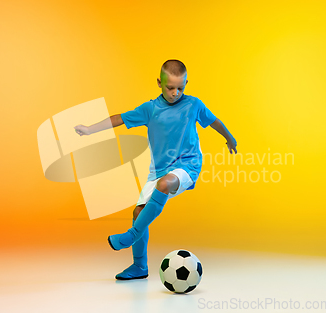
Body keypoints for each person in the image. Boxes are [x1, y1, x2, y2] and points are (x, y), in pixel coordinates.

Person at [74, 59, 237, 280]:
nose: (175, 93)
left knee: (164, 185)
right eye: (170, 87)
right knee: (138, 212)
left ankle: (130, 236)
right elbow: (119, 119)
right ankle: (139, 267)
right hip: (158, 170)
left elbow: (214, 121)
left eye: (181, 87)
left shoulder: (193, 105)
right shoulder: (150, 109)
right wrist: (89, 129)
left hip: (188, 165)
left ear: (187, 83)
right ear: (159, 83)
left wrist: (229, 138)